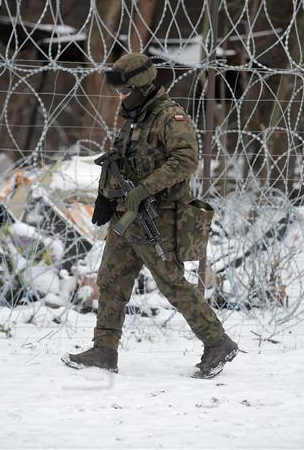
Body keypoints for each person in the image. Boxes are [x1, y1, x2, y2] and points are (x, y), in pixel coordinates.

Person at [62, 53, 238, 379]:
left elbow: (185, 160)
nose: (120, 96)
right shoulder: (136, 116)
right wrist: (105, 197)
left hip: (157, 217)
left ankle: (217, 342)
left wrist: (144, 189)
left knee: (172, 284)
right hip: (126, 216)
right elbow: (121, 160)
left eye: (125, 90)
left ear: (142, 85)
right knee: (111, 282)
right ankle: (104, 350)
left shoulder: (170, 118)